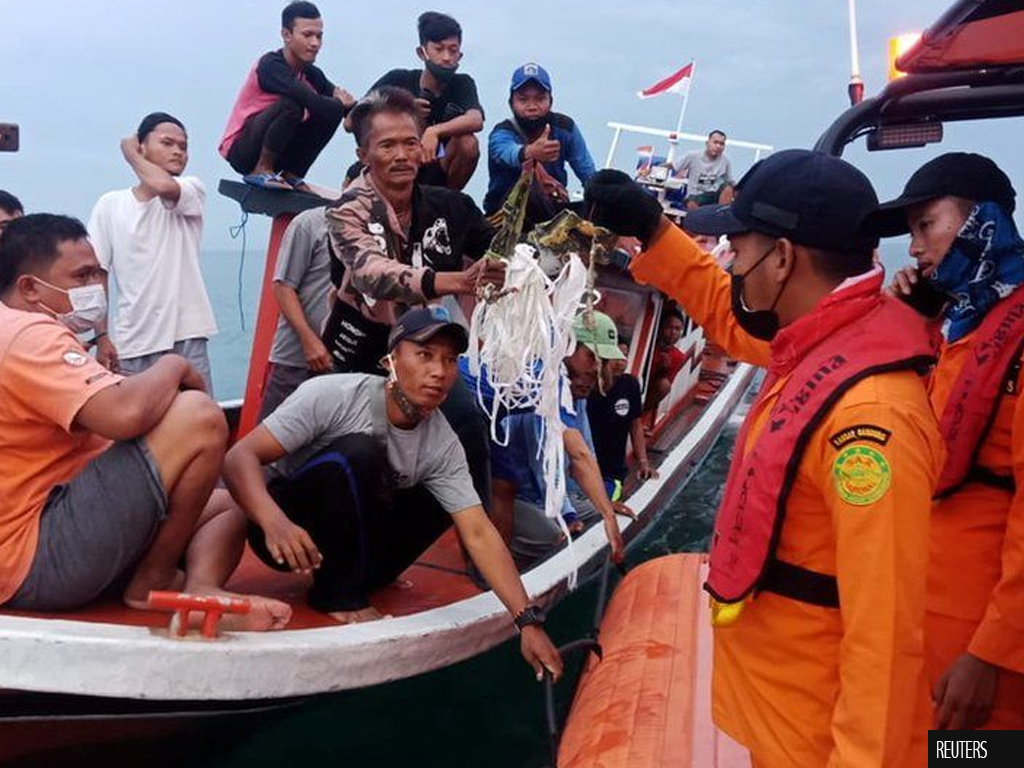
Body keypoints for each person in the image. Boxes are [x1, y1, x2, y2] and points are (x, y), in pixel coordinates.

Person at [585, 150, 942, 767]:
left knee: (980, 749)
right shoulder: (826, 336)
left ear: (782, 258)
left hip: (816, 731)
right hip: (783, 710)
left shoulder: (871, 416)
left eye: (741, 251)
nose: (736, 269)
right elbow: (725, 312)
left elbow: (883, 636)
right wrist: (653, 229)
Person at [222, 305, 564, 674]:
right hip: (285, 535)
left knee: (443, 496)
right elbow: (240, 457)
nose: (439, 372)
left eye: (449, 361)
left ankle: (365, 576)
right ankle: (337, 595)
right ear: (390, 360)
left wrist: (526, 620)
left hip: (354, 547)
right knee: (360, 451)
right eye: (424, 355)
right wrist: (274, 523)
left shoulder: (442, 444)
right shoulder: (333, 395)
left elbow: (478, 531)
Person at [0, 214, 290, 631]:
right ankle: (150, 583)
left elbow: (115, 403)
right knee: (200, 418)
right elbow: (125, 414)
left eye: (99, 274)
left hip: (55, 533)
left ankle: (200, 586)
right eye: (81, 276)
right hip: (37, 560)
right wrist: (174, 363)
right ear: (29, 287)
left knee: (229, 504)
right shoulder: (29, 335)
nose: (96, 288)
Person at [877, 152, 1024, 731]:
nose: (914, 249)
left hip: (986, 659)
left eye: (925, 226)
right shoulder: (956, 327)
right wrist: (912, 323)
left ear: (980, 221)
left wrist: (992, 652)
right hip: (924, 624)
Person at [461, 312, 631, 567]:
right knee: (473, 488)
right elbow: (571, 457)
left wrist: (602, 504)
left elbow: (584, 450)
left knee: (504, 485)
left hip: (493, 416)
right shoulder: (550, 379)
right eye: (591, 357)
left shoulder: (567, 382)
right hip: (465, 403)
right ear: (569, 345)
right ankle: (488, 565)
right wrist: (598, 515)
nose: (596, 367)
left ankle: (496, 565)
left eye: (601, 361)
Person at [88, 112, 217, 393]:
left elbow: (162, 186)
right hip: (132, 342)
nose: (178, 152)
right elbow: (98, 273)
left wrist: (130, 154)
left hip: (185, 336)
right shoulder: (110, 204)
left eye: (183, 146)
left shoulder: (191, 189)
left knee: (198, 424)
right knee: (136, 428)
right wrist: (101, 336)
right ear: (143, 145)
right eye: (167, 143)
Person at [219, 1, 355, 190]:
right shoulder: (270, 65)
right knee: (294, 104)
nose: (315, 43)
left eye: (319, 36)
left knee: (330, 111)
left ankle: (293, 173)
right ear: (286, 35)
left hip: (279, 147)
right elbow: (313, 101)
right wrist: (341, 104)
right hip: (243, 151)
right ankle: (261, 169)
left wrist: (357, 112)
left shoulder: (311, 73)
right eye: (307, 35)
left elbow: (347, 106)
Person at [357, 12, 483, 190]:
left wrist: (434, 131)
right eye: (439, 49)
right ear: (421, 52)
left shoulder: (462, 83)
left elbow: (476, 119)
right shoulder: (398, 79)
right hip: (393, 163)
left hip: (435, 167)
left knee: (468, 143)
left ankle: (448, 200)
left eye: (453, 50)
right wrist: (403, 109)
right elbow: (352, 120)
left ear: (460, 55)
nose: (446, 57)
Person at [483, 63, 596, 225]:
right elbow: (509, 153)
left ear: (551, 101)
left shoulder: (565, 128)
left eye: (540, 98)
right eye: (523, 100)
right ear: (511, 103)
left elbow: (588, 173)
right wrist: (531, 152)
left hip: (553, 210)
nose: (532, 107)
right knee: (530, 194)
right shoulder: (502, 133)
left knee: (605, 198)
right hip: (505, 214)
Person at [258, 206, 334, 419]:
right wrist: (309, 341)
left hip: (342, 364)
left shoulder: (378, 228)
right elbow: (282, 286)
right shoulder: (310, 223)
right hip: (297, 359)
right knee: (270, 439)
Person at [587, 341, 656, 499]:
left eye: (624, 356)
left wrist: (643, 462)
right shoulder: (588, 385)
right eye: (615, 356)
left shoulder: (630, 384)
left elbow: (635, 425)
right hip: (585, 467)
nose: (620, 362)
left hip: (612, 472)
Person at [672, 130, 734, 210]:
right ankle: (699, 219)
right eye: (715, 142)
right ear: (707, 143)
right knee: (691, 203)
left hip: (713, 195)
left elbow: (730, 182)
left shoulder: (726, 161)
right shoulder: (692, 156)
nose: (718, 146)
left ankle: (722, 217)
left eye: (721, 144)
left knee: (728, 188)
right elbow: (674, 166)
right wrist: (657, 168)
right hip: (695, 195)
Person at [643, 308, 688, 420]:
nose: (673, 332)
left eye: (677, 329)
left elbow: (663, 386)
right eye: (669, 327)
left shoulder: (678, 357)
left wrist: (663, 370)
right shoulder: (647, 344)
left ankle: (640, 413)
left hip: (647, 392)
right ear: (661, 327)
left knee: (664, 385)